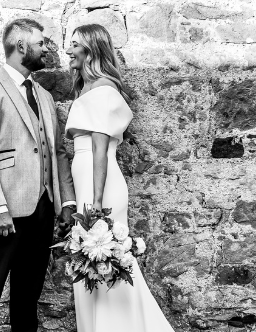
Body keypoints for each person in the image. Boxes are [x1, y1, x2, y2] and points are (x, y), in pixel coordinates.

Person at [0, 18, 77, 332]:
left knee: (28, 297)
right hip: (2, 212)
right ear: (20, 46)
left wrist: (66, 203)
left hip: (41, 209)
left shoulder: (43, 95)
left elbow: (57, 152)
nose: (46, 49)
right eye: (40, 43)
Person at [65, 23, 176, 332]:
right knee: (92, 265)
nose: (68, 50)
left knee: (105, 261)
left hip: (98, 186)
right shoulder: (87, 88)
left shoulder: (102, 89)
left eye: (75, 45)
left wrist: (96, 205)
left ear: (91, 50)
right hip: (88, 183)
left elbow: (100, 149)